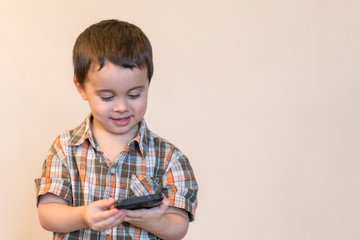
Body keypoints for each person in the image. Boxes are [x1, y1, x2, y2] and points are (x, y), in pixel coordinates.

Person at [35, 19, 198, 240]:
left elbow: (179, 226)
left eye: (134, 95)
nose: (121, 107)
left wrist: (156, 221)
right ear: (81, 88)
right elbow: (47, 213)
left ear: (148, 84)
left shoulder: (169, 157)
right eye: (107, 97)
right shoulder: (65, 148)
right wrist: (83, 216)